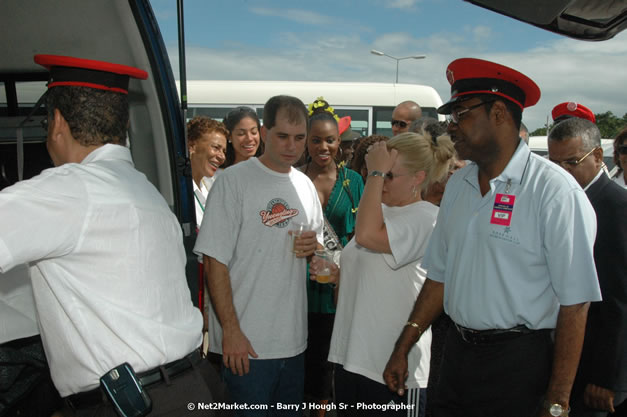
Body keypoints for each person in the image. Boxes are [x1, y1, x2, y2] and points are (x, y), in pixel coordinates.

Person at [383, 58, 601, 417]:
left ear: (499, 113)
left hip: (518, 364)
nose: (451, 127)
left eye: (461, 115)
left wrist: (558, 401)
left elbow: (575, 303)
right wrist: (403, 345)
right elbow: (439, 276)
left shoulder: (553, 191)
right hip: (455, 356)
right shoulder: (459, 186)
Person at [0, 54, 217, 416]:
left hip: (133, 405)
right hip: (195, 385)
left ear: (56, 122)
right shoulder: (146, 192)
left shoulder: (64, 192)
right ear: (124, 122)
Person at [194, 95, 324, 415]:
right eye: (282, 136)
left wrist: (316, 252)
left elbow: (322, 250)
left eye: (298, 138)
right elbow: (214, 261)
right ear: (265, 133)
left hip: (294, 343)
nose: (291, 146)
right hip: (247, 346)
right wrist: (232, 332)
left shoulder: (305, 186)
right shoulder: (232, 182)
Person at [324, 131, 455, 416]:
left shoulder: (427, 218)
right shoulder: (377, 212)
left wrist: (375, 171)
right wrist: (338, 277)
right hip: (352, 361)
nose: (381, 181)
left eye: (389, 176)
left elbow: (368, 236)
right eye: (379, 174)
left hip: (392, 368)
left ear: (418, 178)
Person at [547, 118, 627, 416]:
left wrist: (607, 378)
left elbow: (619, 300)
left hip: (592, 372)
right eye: (553, 163)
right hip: (558, 360)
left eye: (571, 162)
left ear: (597, 157)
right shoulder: (560, 201)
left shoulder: (616, 207)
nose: (561, 172)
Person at [298, 98, 364, 414]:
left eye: (330, 139)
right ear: (305, 141)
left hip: (339, 290)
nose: (323, 146)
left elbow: (364, 235)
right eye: (315, 140)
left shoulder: (355, 182)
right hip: (298, 289)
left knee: (331, 367)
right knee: (303, 366)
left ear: (340, 142)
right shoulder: (292, 180)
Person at [188, 116, 228, 225]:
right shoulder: (180, 192)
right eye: (216, 147)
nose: (222, 157)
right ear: (192, 146)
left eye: (224, 151)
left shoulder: (209, 188)